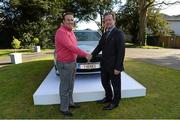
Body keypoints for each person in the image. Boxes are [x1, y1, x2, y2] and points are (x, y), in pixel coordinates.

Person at [55, 12, 92, 117]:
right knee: (65, 87)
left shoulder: (71, 32)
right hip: (64, 64)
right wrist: (85, 54)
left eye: (72, 19)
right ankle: (64, 108)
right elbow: (71, 47)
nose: (71, 21)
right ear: (63, 21)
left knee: (71, 85)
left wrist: (75, 62)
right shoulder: (61, 32)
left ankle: (70, 103)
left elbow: (74, 47)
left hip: (71, 63)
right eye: (68, 19)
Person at [91, 11, 125, 110]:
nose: (107, 22)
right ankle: (108, 97)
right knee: (104, 83)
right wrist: (91, 55)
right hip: (104, 64)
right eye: (105, 20)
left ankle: (115, 102)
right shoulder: (105, 34)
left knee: (116, 85)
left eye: (109, 20)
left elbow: (121, 52)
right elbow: (99, 47)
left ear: (114, 20)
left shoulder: (119, 33)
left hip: (114, 66)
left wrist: (118, 67)